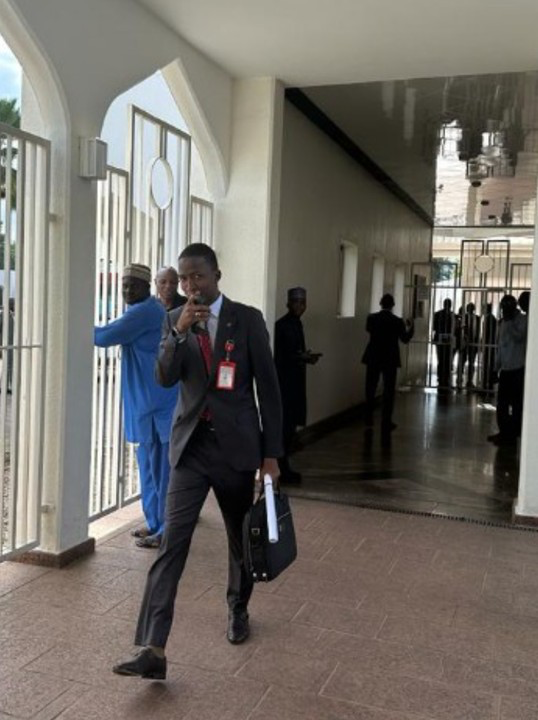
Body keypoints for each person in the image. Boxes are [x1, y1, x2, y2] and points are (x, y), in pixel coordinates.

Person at [112, 243, 283, 680]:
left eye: (198, 277)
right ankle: (153, 647)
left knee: (239, 538)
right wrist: (179, 333)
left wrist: (271, 455)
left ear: (217, 275)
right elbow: (164, 376)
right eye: (184, 279)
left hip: (236, 450)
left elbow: (268, 389)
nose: (191, 286)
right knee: (172, 543)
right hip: (190, 449)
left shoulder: (247, 320)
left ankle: (238, 607)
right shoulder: (173, 319)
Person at [94, 264, 178, 548]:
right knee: (149, 467)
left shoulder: (144, 312)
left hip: (158, 405)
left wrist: (71, 320)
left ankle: (165, 530)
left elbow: (102, 337)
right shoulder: (147, 309)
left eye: (134, 286)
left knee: (162, 471)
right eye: (124, 285)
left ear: (147, 287)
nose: (128, 290)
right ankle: (154, 523)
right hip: (148, 404)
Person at [274, 287, 321, 484]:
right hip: (285, 384)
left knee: (291, 427)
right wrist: (300, 357)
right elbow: (280, 356)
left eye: (303, 303)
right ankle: (281, 469)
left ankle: (284, 466)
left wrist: (304, 357)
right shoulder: (282, 325)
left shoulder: (296, 324)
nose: (300, 306)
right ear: (288, 303)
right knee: (285, 428)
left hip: (295, 382)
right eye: (296, 302)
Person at [362, 293, 414, 433]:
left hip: (373, 357)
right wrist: (411, 327)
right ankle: (386, 421)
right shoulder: (397, 321)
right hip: (390, 358)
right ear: (393, 305)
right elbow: (405, 339)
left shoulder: (371, 318)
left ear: (380, 303)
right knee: (389, 390)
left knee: (370, 388)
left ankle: (368, 418)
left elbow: (369, 330)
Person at [487, 294, 527, 446]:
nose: (504, 311)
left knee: (516, 405)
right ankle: (503, 432)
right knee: (502, 404)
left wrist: (510, 322)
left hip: (517, 369)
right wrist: (495, 368)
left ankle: (513, 434)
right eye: (503, 308)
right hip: (505, 370)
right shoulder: (503, 322)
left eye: (506, 308)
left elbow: (519, 337)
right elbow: (501, 347)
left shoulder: (522, 320)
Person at [432, 298, 455, 390]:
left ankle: (441, 377)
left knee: (442, 359)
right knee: (446, 359)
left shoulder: (437, 314)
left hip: (441, 339)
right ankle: (445, 377)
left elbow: (434, 328)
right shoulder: (452, 315)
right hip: (446, 340)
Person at [461, 302, 480, 388]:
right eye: (469, 308)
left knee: (471, 363)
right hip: (464, 343)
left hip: (474, 343)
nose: (471, 310)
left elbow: (478, 331)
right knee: (462, 361)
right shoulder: (463, 317)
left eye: (472, 308)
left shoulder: (478, 318)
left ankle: (470, 381)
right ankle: (460, 378)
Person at [482, 303, 497, 394]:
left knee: (487, 365)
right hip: (489, 345)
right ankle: (488, 386)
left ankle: (486, 386)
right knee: (489, 365)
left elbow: (487, 333)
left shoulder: (489, 319)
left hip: (488, 345)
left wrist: (484, 343)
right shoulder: (491, 318)